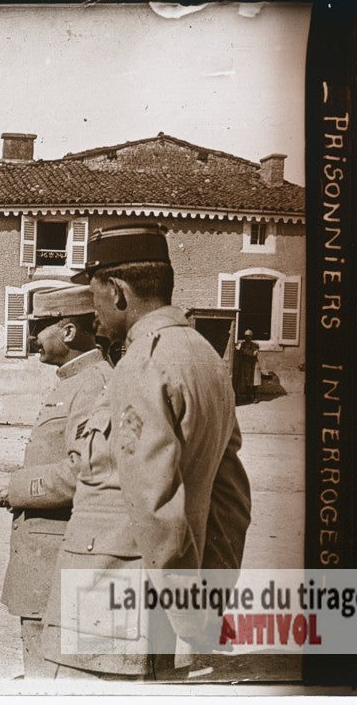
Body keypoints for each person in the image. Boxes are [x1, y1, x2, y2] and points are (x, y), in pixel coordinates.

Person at [44, 223, 251, 679]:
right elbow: (231, 502)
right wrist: (206, 608)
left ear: (117, 292)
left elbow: (154, 504)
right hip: (157, 620)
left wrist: (190, 616)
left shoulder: (141, 363)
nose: (93, 313)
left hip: (108, 614)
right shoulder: (204, 355)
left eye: (95, 296)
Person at [0, 285, 113, 678]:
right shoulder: (74, 380)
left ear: (68, 331)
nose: (32, 336)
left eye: (39, 327)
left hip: (59, 560)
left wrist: (16, 487)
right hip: (45, 558)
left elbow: (86, 471)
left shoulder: (95, 384)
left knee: (51, 675)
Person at [234, 329, 260, 404]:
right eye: (246, 336)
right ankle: (248, 396)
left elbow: (254, 353)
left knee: (255, 381)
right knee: (247, 381)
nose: (247, 338)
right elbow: (240, 352)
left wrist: (244, 351)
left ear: (251, 336)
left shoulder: (255, 344)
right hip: (246, 365)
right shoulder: (243, 344)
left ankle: (255, 397)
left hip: (254, 364)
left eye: (249, 336)